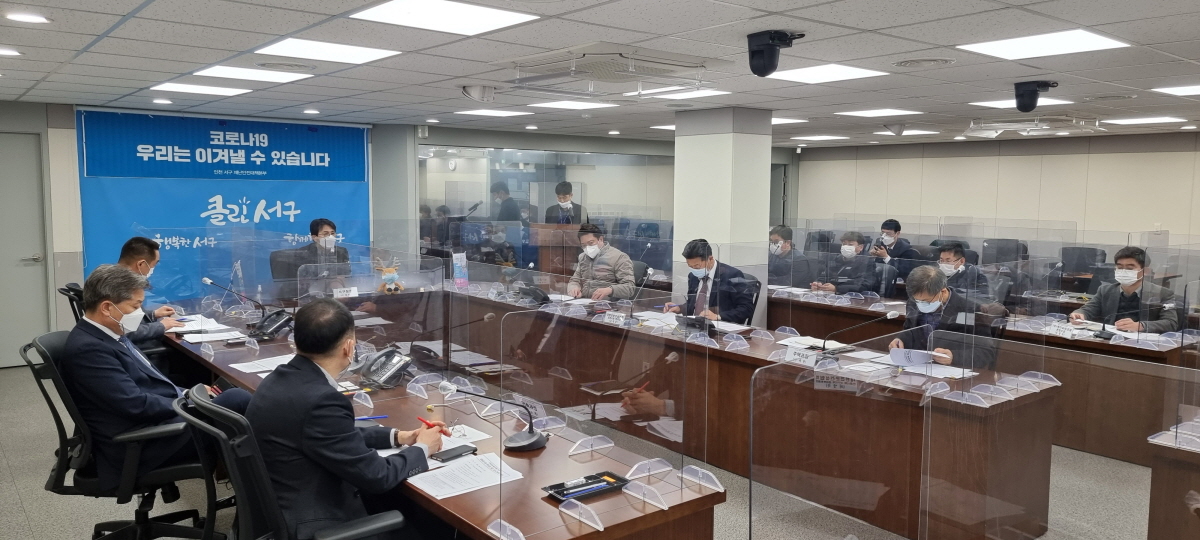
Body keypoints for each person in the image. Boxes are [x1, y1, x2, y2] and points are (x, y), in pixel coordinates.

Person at [246, 298, 450, 540]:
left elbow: (332, 433)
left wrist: (399, 437)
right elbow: (378, 476)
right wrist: (423, 448)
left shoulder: (279, 379)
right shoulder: (321, 400)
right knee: (434, 526)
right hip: (318, 524)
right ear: (349, 347)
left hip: (280, 511)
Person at [59, 265, 251, 491]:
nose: (139, 314)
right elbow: (135, 405)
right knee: (237, 399)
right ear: (107, 307)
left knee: (229, 396)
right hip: (141, 443)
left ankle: (256, 490)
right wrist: (189, 402)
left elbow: (149, 381)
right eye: (135, 306)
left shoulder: (108, 333)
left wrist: (188, 393)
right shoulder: (88, 349)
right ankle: (263, 498)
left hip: (156, 424)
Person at [888, 265, 999, 370]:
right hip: (917, 368)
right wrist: (900, 339)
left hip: (951, 372)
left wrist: (954, 356)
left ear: (943, 292)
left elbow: (986, 352)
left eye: (926, 301)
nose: (920, 304)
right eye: (917, 300)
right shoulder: (913, 303)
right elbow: (910, 330)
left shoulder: (970, 310)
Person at [1069, 246, 1179, 333]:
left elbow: (1171, 323)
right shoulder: (1105, 290)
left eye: (1130, 268)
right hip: (1111, 339)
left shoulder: (1163, 293)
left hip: (1143, 344)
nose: (1124, 271)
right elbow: (1088, 310)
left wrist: (1141, 326)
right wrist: (1079, 314)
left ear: (1145, 271)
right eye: (1120, 267)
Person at [664, 239, 756, 324]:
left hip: (719, 328)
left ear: (710, 259)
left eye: (697, 266)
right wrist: (680, 308)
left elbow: (747, 308)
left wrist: (718, 316)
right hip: (694, 326)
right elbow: (695, 303)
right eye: (690, 266)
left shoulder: (732, 275)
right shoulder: (693, 276)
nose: (694, 270)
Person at [115, 237, 184, 346]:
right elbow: (126, 332)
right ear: (141, 264)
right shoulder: (120, 286)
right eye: (154, 264)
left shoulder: (114, 278)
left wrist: (153, 314)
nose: (152, 269)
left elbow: (128, 317)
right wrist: (161, 326)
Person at [568, 223, 635, 301]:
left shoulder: (619, 257)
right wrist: (574, 288)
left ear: (601, 239)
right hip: (584, 302)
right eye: (583, 245)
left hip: (608, 304)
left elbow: (630, 287)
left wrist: (609, 290)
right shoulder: (583, 257)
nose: (587, 248)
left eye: (591, 243)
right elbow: (575, 280)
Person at [811, 231, 878, 294]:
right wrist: (819, 283)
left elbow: (864, 285)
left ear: (860, 247)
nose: (846, 247)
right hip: (834, 296)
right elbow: (826, 275)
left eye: (850, 244)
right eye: (844, 244)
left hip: (856, 297)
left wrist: (837, 289)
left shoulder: (867, 261)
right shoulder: (837, 259)